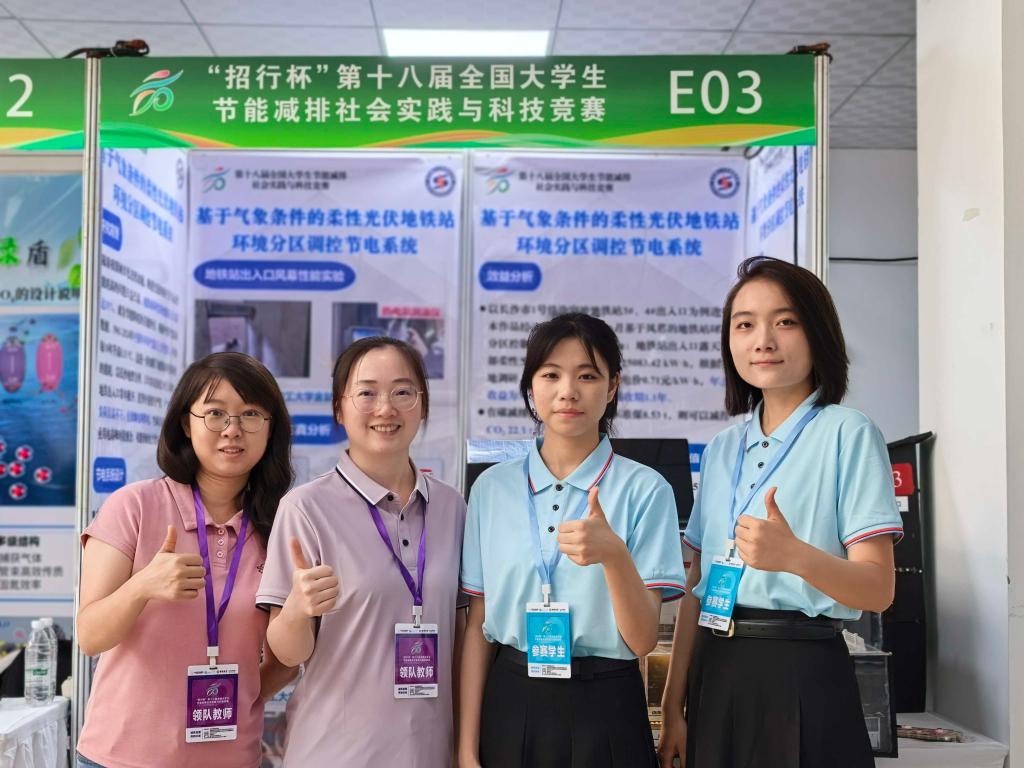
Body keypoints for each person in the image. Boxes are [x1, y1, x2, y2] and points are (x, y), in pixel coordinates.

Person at [658, 257, 903, 768]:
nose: (763, 340)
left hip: (801, 670)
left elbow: (878, 589)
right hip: (716, 668)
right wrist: (673, 704)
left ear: (818, 333)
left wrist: (795, 556)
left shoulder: (848, 432)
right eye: (745, 324)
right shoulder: (723, 448)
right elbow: (697, 582)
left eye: (785, 321)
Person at [459, 312, 687, 768]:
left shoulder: (645, 490)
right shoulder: (492, 489)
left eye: (587, 375)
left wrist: (614, 556)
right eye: (551, 375)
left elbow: (643, 640)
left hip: (607, 704)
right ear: (531, 387)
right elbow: (478, 624)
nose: (568, 391)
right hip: (511, 701)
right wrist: (466, 748)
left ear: (613, 386)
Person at [76, 352, 295, 768]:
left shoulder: (280, 525)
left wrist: (239, 698)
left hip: (230, 759)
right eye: (215, 413)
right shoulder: (134, 506)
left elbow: (285, 662)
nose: (233, 429)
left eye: (251, 414)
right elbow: (90, 637)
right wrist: (142, 586)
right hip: (121, 757)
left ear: (271, 428)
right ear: (185, 423)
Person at [258, 337, 467, 767]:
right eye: (366, 393)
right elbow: (287, 654)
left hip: (430, 754)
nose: (385, 409)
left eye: (402, 392)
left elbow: (462, 638)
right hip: (335, 753)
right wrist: (297, 610)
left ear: (423, 405)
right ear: (340, 408)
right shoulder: (306, 508)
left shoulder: (452, 507)